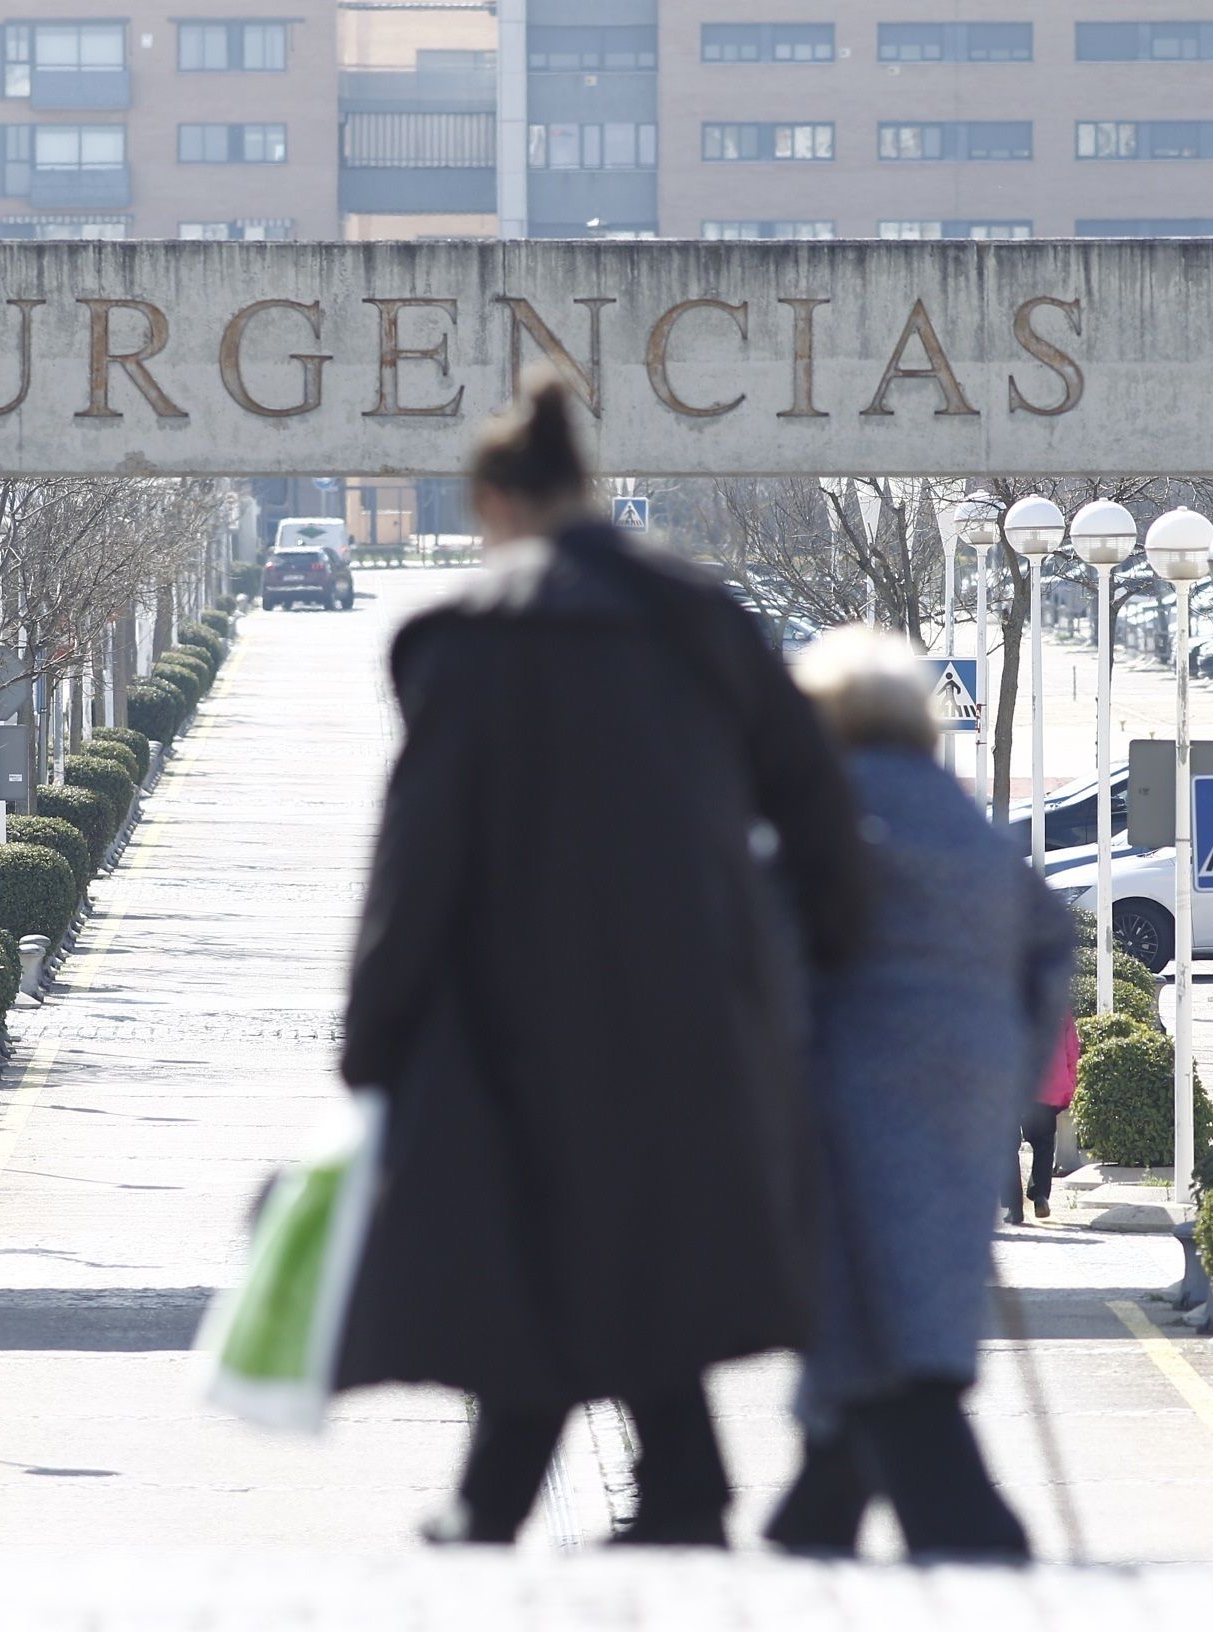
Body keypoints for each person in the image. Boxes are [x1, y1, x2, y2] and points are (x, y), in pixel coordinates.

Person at [333, 375, 868, 1547]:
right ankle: (662, 1491)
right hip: (692, 1001)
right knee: (626, 1236)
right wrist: (829, 954)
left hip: (506, 1015)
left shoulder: (461, 641)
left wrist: (376, 1028)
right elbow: (816, 804)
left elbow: (416, 859)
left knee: (545, 1236)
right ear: (587, 487)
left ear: (494, 502)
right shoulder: (703, 620)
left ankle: (512, 1511)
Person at [763, 625, 1075, 1563]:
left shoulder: (822, 816)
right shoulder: (969, 825)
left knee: (871, 1305)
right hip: (969, 1094)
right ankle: (810, 1524)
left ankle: (977, 1536)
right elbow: (1047, 950)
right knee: (903, 1290)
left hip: (853, 1093)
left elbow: (771, 961)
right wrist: (1012, 1075)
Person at [1005, 1018, 1080, 1224]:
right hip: (1047, 1088)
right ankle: (1040, 1196)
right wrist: (1069, 1085)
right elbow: (1072, 1051)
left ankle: (1014, 1207)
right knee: (1044, 1145)